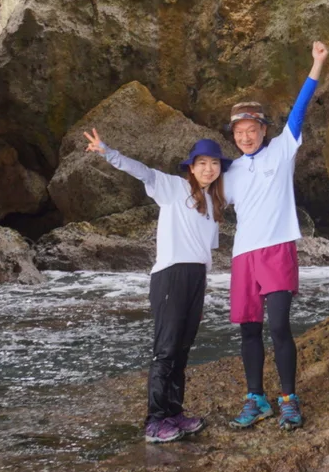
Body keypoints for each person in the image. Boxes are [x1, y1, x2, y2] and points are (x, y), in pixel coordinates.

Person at [84, 127, 227, 444]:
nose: (208, 168)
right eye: (201, 163)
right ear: (191, 167)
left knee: (182, 349)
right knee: (165, 350)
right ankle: (154, 420)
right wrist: (108, 152)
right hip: (170, 275)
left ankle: (174, 413)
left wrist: (202, 292)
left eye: (214, 163)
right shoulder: (175, 188)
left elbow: (204, 254)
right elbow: (144, 172)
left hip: (195, 279)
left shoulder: (213, 203)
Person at [221, 40, 328, 432]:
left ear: (264, 130)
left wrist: (316, 63)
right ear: (233, 135)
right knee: (249, 328)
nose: (246, 137)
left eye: (252, 130)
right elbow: (201, 196)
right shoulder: (229, 172)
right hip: (243, 257)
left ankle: (288, 398)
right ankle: (256, 397)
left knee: (279, 325)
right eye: (240, 132)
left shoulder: (282, 150)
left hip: (277, 249)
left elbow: (299, 111)